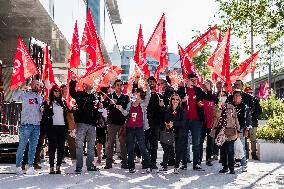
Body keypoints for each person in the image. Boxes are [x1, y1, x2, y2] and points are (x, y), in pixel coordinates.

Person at [178, 73, 213, 170]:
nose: (194, 81)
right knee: (184, 142)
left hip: (197, 121)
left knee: (196, 142)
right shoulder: (182, 90)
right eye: (192, 79)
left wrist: (209, 88)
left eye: (195, 80)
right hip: (184, 120)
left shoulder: (198, 90)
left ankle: (196, 163)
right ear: (187, 80)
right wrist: (182, 100)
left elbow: (209, 98)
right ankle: (184, 163)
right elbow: (175, 102)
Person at [117, 86, 152, 173]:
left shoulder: (143, 103)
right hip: (130, 128)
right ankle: (131, 167)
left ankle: (148, 165)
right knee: (130, 148)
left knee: (143, 147)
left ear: (139, 94)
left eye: (136, 92)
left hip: (139, 128)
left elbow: (148, 95)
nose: (134, 94)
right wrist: (120, 108)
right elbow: (126, 114)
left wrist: (147, 85)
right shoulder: (130, 104)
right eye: (134, 93)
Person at [69, 76, 100, 173]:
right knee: (79, 145)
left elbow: (97, 110)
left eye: (91, 83)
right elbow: (71, 92)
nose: (90, 85)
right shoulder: (79, 94)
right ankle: (79, 167)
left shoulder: (95, 97)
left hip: (92, 125)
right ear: (84, 85)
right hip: (81, 123)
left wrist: (100, 108)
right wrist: (73, 81)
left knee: (91, 146)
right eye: (88, 83)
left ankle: (90, 165)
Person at [13, 80, 43, 175]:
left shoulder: (40, 97)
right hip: (26, 125)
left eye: (38, 85)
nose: (36, 86)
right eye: (35, 84)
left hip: (36, 125)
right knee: (22, 146)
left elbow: (42, 110)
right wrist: (21, 89)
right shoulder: (25, 94)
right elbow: (14, 97)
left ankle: (30, 167)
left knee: (33, 147)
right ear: (31, 85)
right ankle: (18, 166)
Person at [210, 91, 240, 174]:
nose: (222, 97)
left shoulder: (231, 106)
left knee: (230, 149)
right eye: (220, 96)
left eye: (224, 95)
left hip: (230, 130)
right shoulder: (215, 107)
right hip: (220, 131)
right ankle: (225, 167)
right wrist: (219, 108)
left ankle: (232, 167)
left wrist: (238, 130)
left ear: (226, 97)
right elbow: (216, 116)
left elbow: (236, 119)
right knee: (223, 150)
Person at [42, 85, 68, 174]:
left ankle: (58, 166)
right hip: (52, 127)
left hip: (62, 127)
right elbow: (45, 114)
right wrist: (47, 107)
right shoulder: (48, 102)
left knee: (61, 147)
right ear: (52, 92)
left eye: (58, 91)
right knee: (52, 147)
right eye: (55, 91)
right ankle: (51, 166)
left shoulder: (63, 102)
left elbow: (67, 114)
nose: (57, 93)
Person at [104, 79, 129, 169]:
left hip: (122, 123)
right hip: (111, 123)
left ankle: (125, 163)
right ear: (114, 86)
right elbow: (104, 105)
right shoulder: (110, 96)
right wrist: (109, 102)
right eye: (117, 85)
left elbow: (127, 110)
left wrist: (120, 104)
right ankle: (108, 164)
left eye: (120, 85)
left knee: (123, 144)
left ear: (122, 86)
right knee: (110, 143)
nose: (119, 86)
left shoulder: (125, 97)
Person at [160, 93, 186, 174]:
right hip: (170, 131)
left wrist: (173, 123)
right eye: (173, 99)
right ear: (171, 100)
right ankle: (164, 166)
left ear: (179, 101)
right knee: (167, 149)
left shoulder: (182, 110)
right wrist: (168, 124)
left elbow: (183, 122)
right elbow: (165, 119)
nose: (175, 101)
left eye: (177, 99)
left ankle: (176, 167)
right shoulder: (168, 109)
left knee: (178, 150)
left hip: (180, 132)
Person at [146, 76, 165, 169]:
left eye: (153, 81)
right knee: (145, 142)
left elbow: (163, 111)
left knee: (154, 143)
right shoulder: (144, 95)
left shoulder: (159, 96)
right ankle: (146, 161)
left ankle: (153, 162)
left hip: (156, 123)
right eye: (150, 81)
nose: (151, 83)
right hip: (146, 122)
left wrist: (162, 106)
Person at [232, 90, 252, 172]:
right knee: (232, 147)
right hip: (231, 129)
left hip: (241, 129)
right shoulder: (230, 106)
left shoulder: (245, 107)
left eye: (238, 95)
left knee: (241, 147)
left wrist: (247, 129)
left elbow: (248, 119)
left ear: (241, 97)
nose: (237, 97)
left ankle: (244, 164)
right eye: (235, 95)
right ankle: (236, 161)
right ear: (233, 97)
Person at [244, 87, 262, 160]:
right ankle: (246, 154)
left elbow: (260, 111)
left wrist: (253, 113)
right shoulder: (243, 100)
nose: (249, 94)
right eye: (248, 92)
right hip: (244, 123)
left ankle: (253, 153)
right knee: (245, 139)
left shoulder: (255, 100)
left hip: (253, 122)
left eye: (251, 92)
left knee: (253, 139)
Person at [200, 81, 214, 166]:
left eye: (208, 85)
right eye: (204, 86)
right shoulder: (200, 95)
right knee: (200, 141)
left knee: (210, 142)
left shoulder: (213, 96)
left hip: (211, 122)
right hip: (202, 121)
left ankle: (209, 158)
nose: (206, 87)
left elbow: (210, 98)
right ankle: (199, 158)